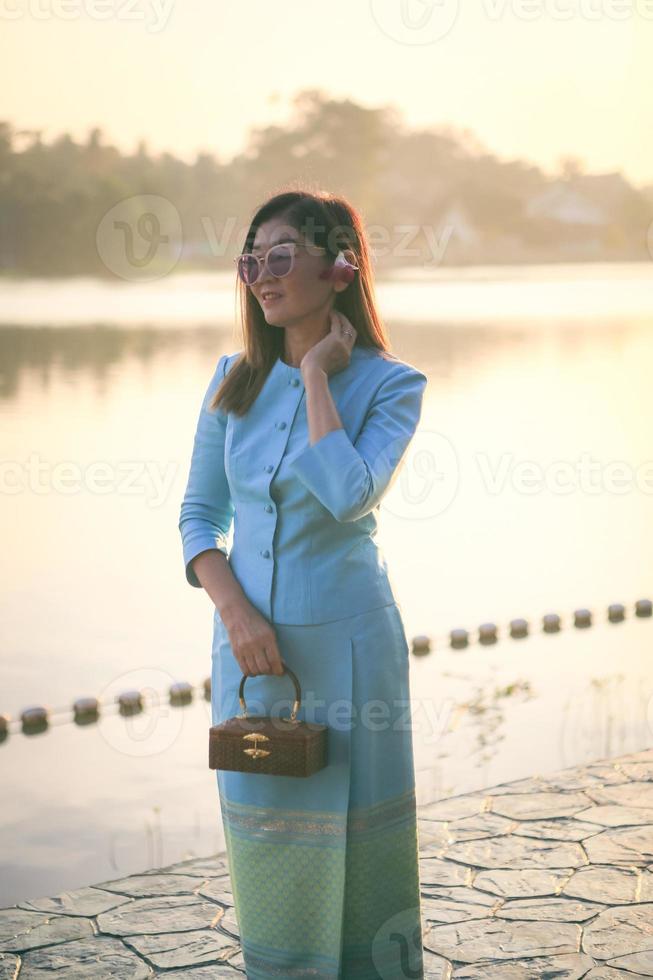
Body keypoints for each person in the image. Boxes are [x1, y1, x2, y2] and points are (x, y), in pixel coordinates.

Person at [178, 188, 428, 978]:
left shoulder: (392, 385)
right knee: (269, 848)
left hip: (352, 652)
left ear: (339, 266)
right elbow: (197, 518)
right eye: (251, 258)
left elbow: (349, 494)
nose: (260, 274)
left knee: (360, 852)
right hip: (249, 657)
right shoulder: (231, 380)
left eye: (279, 254)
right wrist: (236, 615)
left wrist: (319, 376)